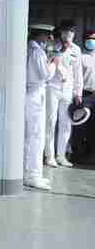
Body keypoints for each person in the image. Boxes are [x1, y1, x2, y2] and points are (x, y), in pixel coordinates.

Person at [45, 20, 83, 168]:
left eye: (71, 32)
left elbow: (77, 73)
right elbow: (48, 65)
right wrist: (59, 50)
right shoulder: (53, 46)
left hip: (67, 90)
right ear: (61, 33)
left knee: (66, 123)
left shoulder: (76, 50)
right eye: (66, 31)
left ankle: (61, 155)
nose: (69, 34)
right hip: (53, 87)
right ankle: (49, 155)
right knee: (50, 121)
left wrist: (78, 92)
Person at [24, 24, 56, 190]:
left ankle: (33, 173)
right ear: (41, 35)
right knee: (35, 136)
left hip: (34, 93)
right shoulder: (36, 51)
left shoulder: (32, 48)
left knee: (35, 135)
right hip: (34, 94)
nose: (49, 38)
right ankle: (31, 175)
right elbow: (46, 75)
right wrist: (53, 63)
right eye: (48, 34)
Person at [71, 30, 95, 163]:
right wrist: (77, 93)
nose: (92, 41)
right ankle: (77, 153)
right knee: (80, 125)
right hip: (84, 95)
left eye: (94, 39)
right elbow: (77, 77)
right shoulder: (81, 56)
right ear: (85, 41)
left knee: (92, 126)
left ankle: (91, 153)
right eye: (90, 39)